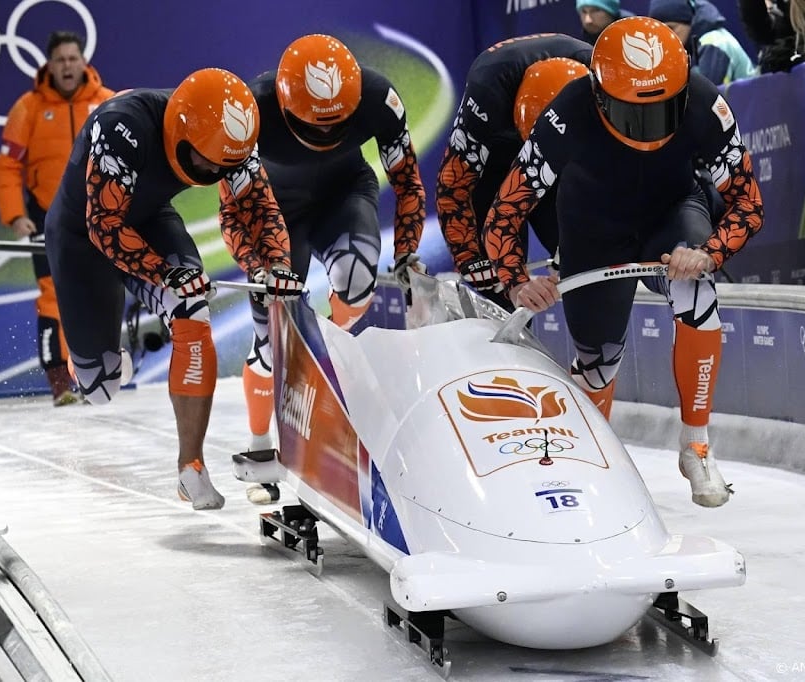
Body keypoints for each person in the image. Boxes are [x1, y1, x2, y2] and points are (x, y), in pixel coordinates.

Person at [482, 17, 764, 508]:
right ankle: (595, 463)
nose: (649, 127)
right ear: (599, 96)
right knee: (597, 362)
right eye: (635, 113)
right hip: (594, 233)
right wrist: (514, 281)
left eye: (662, 110)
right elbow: (506, 211)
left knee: (697, 292)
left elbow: (748, 202)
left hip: (673, 216)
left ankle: (695, 443)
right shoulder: (565, 114)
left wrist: (708, 252)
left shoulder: (704, 103)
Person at [43, 68, 303, 510]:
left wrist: (277, 264)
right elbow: (103, 228)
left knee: (191, 309)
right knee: (100, 388)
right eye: (206, 161)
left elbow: (258, 205)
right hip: (82, 238)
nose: (213, 171)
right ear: (180, 132)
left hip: (149, 221)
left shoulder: (231, 133)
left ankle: (191, 468)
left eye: (224, 164)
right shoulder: (121, 126)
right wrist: (164, 272)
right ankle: (90, 363)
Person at [224, 35, 426, 503]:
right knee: (272, 334)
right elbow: (233, 212)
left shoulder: (379, 98)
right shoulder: (250, 109)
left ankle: (324, 375)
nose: (324, 136)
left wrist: (409, 251)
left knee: (356, 279)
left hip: (343, 195)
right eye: (312, 127)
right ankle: (259, 450)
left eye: (337, 126)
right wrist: (260, 267)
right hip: (272, 211)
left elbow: (408, 181)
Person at [0, 31, 114, 406]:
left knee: (100, 295)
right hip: (46, 217)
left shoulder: (108, 103)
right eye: (60, 60)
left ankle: (100, 378)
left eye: (72, 58)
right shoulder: (27, 108)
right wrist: (15, 216)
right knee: (51, 298)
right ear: (48, 65)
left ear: (83, 62)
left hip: (97, 215)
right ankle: (61, 384)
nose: (67, 66)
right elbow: (8, 166)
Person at [436, 33, 591, 309]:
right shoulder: (487, 90)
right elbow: (453, 186)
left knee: (584, 265)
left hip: (558, 167)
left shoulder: (602, 75)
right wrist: (471, 257)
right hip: (493, 164)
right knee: (493, 280)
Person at [648, 0, 757, 84]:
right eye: (659, 32)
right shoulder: (685, 50)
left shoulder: (714, 43)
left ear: (689, 21)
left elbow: (706, 103)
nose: (665, 38)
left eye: (671, 28)